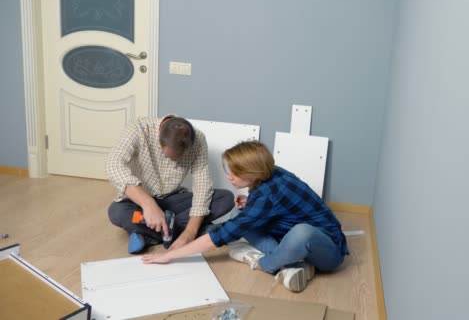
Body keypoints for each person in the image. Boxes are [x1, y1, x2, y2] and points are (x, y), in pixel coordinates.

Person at [142, 140, 349, 293]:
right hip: (289, 236)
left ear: (253, 173)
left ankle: (264, 263)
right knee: (239, 215)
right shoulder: (271, 174)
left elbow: (222, 235)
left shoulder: (269, 192)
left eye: (235, 173)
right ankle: (293, 264)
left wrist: (168, 256)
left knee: (300, 233)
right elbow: (277, 207)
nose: (228, 177)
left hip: (328, 252)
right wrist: (251, 204)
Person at [105, 115, 234, 254]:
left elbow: (202, 185)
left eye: (180, 158)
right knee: (117, 212)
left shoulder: (199, 139)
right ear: (159, 140)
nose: (175, 162)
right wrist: (148, 204)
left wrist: (190, 233)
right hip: (140, 201)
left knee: (225, 198)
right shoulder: (138, 129)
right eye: (169, 157)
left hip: (173, 201)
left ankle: (150, 236)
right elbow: (113, 165)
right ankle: (201, 231)